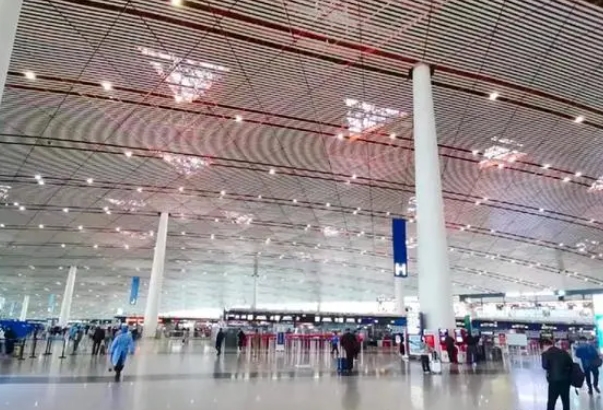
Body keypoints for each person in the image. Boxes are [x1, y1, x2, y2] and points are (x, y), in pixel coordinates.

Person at [542, 338, 573, 410]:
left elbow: (544, 366)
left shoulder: (546, 354)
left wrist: (544, 354)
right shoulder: (563, 352)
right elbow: (571, 364)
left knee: (551, 402)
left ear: (544, 346)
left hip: (553, 381)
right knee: (565, 400)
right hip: (565, 380)